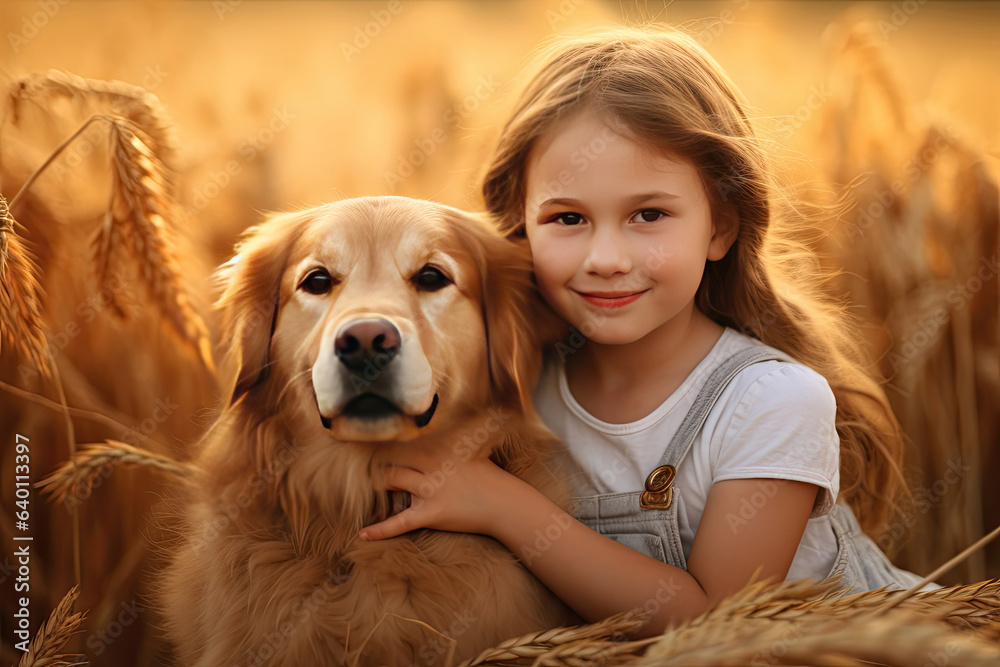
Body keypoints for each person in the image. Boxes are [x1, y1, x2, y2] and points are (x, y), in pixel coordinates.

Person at [358, 26, 938, 638]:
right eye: (568, 217)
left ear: (720, 227)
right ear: (519, 227)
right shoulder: (517, 380)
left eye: (649, 215)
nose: (606, 257)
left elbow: (718, 627)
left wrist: (505, 509)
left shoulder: (770, 403)